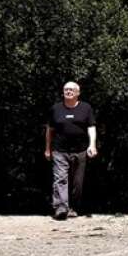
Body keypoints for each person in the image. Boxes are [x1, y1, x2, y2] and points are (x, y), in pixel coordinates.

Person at [44, 81, 97, 220]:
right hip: (59, 150)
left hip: (80, 150)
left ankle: (74, 208)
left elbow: (91, 127)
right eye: (66, 89)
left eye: (72, 89)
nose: (68, 91)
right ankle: (61, 208)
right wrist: (48, 149)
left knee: (77, 182)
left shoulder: (86, 108)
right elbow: (49, 130)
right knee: (60, 179)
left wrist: (92, 145)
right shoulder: (56, 109)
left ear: (78, 93)